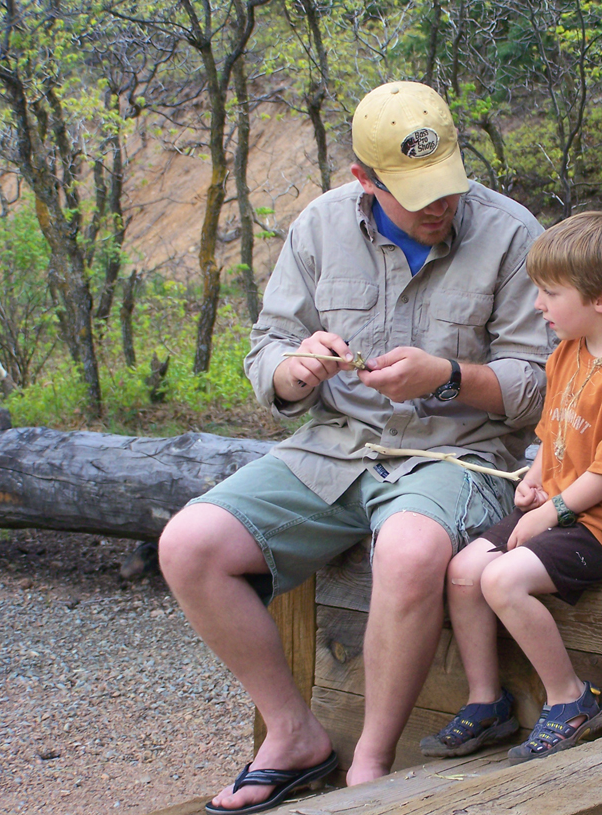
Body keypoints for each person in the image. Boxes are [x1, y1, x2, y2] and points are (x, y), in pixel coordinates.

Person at [158, 81, 551, 814]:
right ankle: (293, 735)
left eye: (447, 186)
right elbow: (267, 348)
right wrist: (292, 368)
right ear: (363, 181)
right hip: (334, 447)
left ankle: (369, 767)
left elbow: (539, 385)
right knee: (188, 543)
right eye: (415, 193)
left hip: (456, 452)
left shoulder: (512, 232)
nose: (440, 205)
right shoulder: (318, 226)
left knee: (405, 549)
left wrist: (451, 377)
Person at [417, 212, 602, 764]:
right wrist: (535, 478)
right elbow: (552, 431)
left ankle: (571, 700)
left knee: (503, 579)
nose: (538, 305)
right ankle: (488, 701)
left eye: (550, 293)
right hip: (562, 506)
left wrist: (548, 512)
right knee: (463, 573)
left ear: (601, 300)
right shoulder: (568, 351)